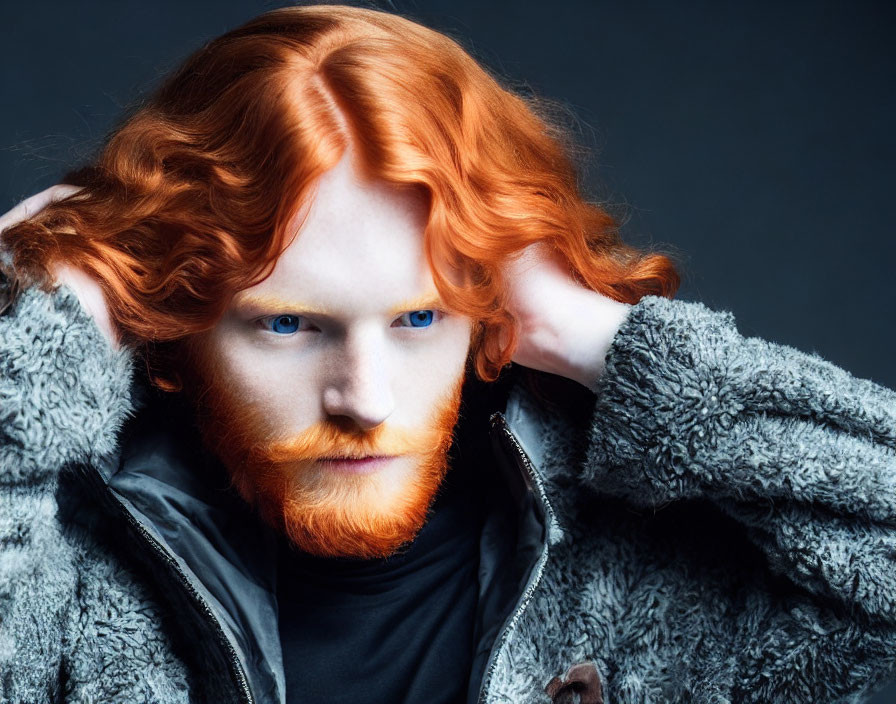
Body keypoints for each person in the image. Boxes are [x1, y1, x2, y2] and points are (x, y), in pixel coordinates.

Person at [1, 5, 894, 703]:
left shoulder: (645, 577)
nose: (365, 397)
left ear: (491, 317)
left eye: (419, 318)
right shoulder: (69, 575)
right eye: (289, 325)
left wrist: (603, 343)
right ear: (175, 326)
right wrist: (52, 328)